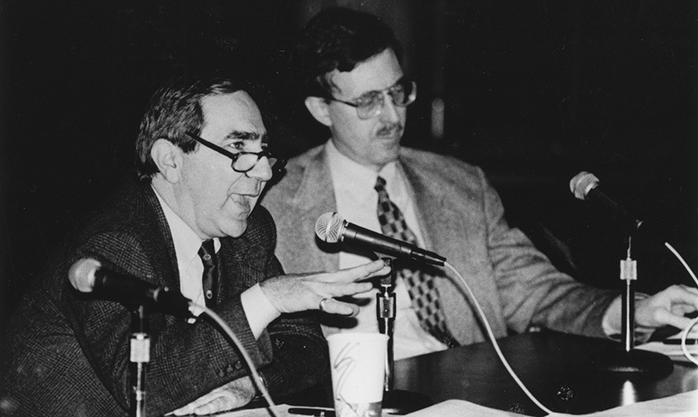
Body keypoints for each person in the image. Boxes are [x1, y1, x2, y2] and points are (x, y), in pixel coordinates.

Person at [261, 6, 698, 360]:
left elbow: (537, 292)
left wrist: (628, 310)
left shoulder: (460, 185)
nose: (393, 116)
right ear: (321, 109)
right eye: (368, 101)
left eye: (398, 92)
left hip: (466, 393)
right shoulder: (275, 203)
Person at [0, 75, 389, 416]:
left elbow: (307, 350)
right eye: (239, 150)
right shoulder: (116, 244)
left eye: (264, 152)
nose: (265, 172)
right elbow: (148, 387)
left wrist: (247, 386)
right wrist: (266, 298)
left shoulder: (248, 233)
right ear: (170, 160)